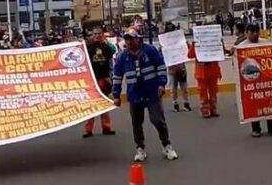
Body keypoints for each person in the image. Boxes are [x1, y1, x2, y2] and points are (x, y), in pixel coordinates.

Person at [112, 30, 178, 162]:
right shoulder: (122, 56)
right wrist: (116, 95)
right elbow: (117, 76)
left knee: (157, 120)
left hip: (152, 93)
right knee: (136, 123)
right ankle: (140, 148)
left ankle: (167, 145)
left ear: (139, 39)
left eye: (131, 39)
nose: (129, 42)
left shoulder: (150, 50)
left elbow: (160, 67)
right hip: (134, 95)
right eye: (127, 39)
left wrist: (161, 84)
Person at [237, 24, 272, 137]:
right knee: (254, 105)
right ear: (247, 32)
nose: (255, 34)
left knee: (269, 105)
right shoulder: (241, 47)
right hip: (251, 81)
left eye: (257, 31)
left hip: (266, 80)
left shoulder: (265, 43)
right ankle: (256, 129)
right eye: (252, 32)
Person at [83, 27, 116, 138]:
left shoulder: (106, 46)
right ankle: (88, 130)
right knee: (92, 105)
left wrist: (107, 41)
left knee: (104, 104)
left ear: (102, 34)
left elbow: (114, 50)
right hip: (92, 80)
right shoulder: (87, 47)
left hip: (104, 78)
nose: (97, 35)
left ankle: (106, 127)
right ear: (92, 35)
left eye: (99, 34)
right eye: (95, 34)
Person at [188, 40, 222, 119]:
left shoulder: (213, 42)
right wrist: (193, 45)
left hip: (213, 70)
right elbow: (190, 55)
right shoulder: (196, 43)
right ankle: (205, 110)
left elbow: (220, 54)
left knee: (213, 91)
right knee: (203, 92)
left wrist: (220, 42)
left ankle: (213, 109)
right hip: (201, 72)